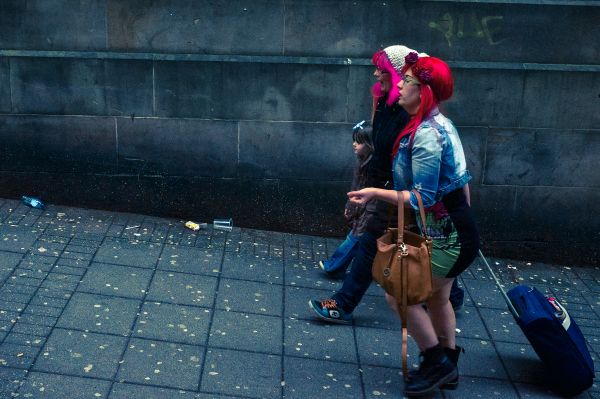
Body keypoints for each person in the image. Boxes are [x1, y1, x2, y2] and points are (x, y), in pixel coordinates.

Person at [347, 53, 479, 396]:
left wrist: (375, 192)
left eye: (409, 82)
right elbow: (464, 184)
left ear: (425, 94)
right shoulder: (437, 125)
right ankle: (447, 367)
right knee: (438, 298)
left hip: (448, 234)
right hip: (453, 231)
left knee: (399, 293)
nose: (401, 85)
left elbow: (422, 197)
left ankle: (435, 361)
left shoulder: (426, 136)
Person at [309, 45, 415, 324]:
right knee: (372, 244)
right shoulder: (385, 101)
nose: (375, 73)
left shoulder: (409, 112)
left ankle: (450, 297)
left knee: (387, 246)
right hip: (385, 189)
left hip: (399, 193)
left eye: (381, 68)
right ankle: (343, 304)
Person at [319, 121, 374, 276]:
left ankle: (334, 266)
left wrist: (353, 207)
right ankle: (336, 266)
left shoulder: (371, 165)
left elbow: (361, 189)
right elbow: (356, 187)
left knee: (356, 237)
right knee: (357, 237)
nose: (354, 144)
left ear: (369, 144)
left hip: (370, 208)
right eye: (354, 140)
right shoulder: (363, 161)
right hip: (363, 206)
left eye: (359, 141)